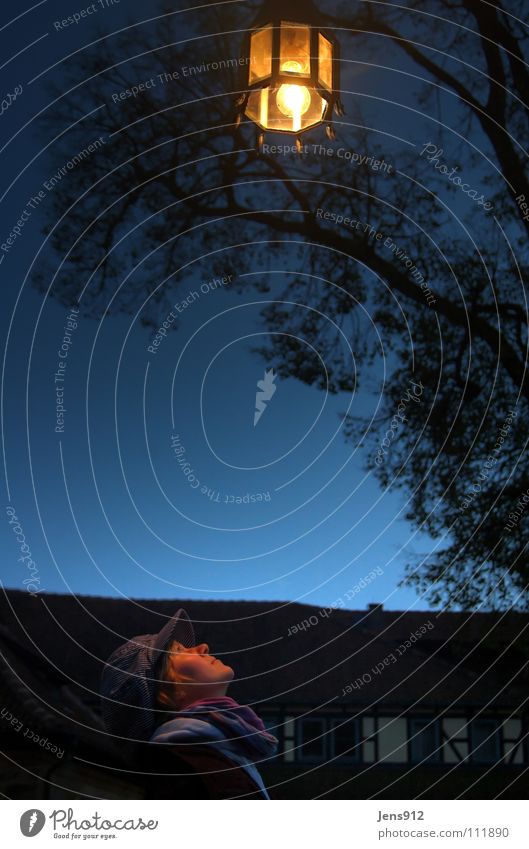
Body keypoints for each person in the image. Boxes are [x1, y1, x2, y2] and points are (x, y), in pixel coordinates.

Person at [99, 608, 277, 799]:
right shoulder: (178, 769)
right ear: (166, 693)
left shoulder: (208, 754)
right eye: (179, 651)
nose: (203, 647)